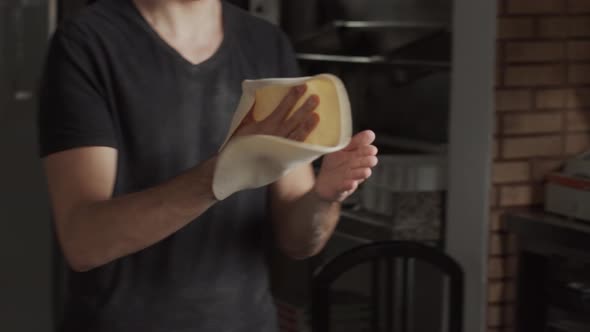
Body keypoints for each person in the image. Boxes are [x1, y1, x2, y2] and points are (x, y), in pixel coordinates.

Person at [38, 0, 378, 331]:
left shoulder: (266, 43)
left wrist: (323, 196)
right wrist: (223, 173)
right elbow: (84, 240)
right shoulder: (87, 41)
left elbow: (297, 240)